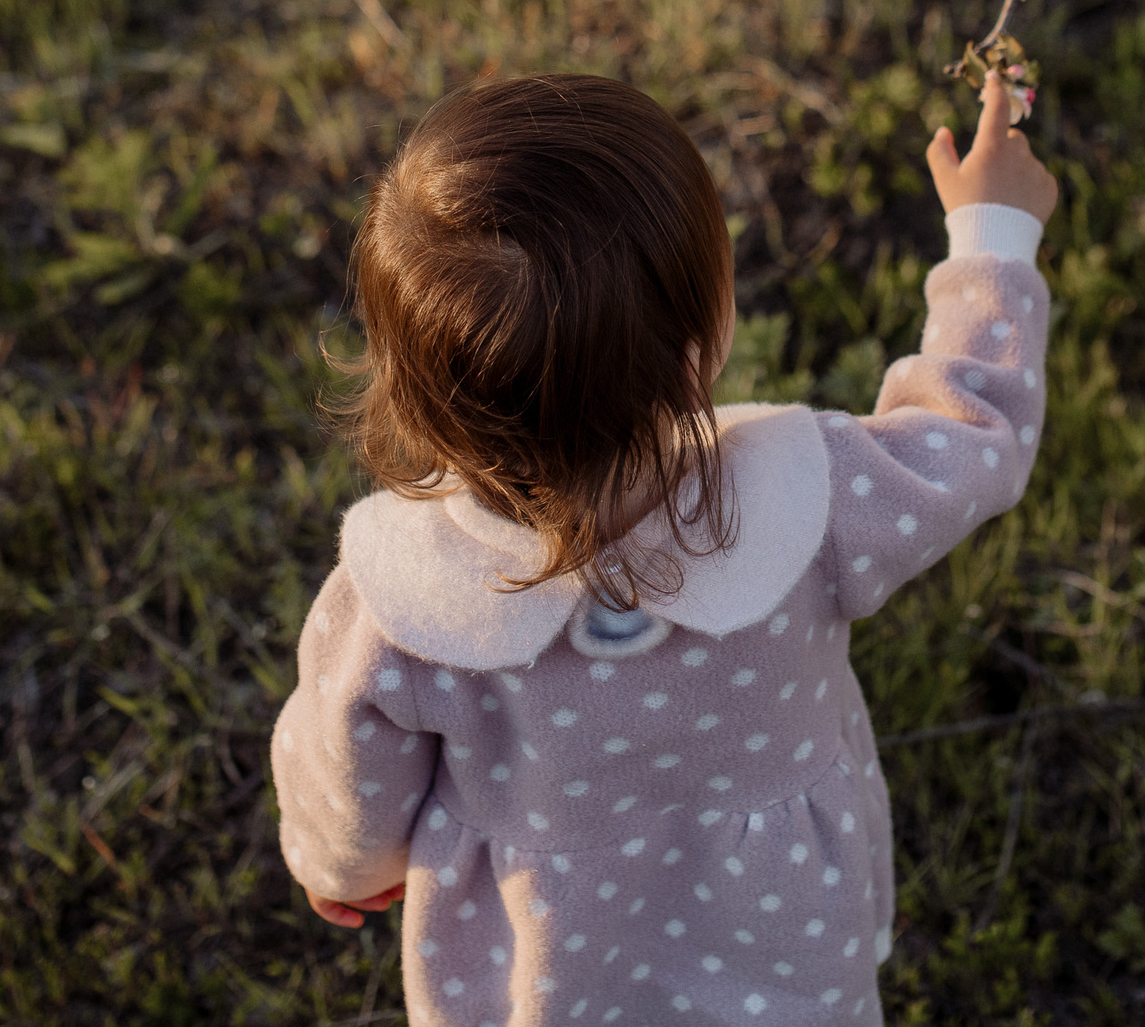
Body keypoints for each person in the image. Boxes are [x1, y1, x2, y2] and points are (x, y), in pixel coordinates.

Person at [271, 70, 1057, 1025]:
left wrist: (339, 866)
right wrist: (992, 235)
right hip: (785, 952)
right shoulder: (814, 504)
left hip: (542, 975)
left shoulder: (401, 603)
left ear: (411, 383)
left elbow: (348, 780)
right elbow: (973, 436)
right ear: (701, 344)